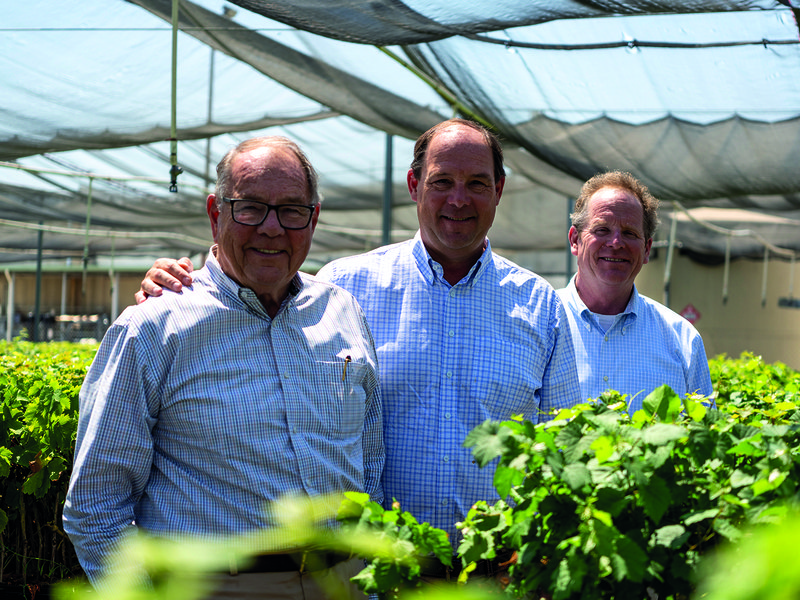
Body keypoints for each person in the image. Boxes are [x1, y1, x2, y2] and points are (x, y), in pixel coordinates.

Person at [136, 119, 581, 578]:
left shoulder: (539, 304)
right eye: (441, 181)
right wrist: (175, 282)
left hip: (498, 574)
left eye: (477, 183)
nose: (458, 199)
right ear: (414, 185)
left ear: (499, 189)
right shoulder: (344, 289)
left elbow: (556, 447)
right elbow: (251, 288)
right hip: (380, 574)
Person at [63, 137, 384, 599]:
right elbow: (95, 507)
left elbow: (367, 457)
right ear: (217, 213)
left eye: (292, 210)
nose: (272, 229)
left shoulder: (341, 310)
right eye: (251, 207)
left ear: (313, 217)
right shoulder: (154, 327)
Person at [558, 170, 713, 410]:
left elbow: (703, 435)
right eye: (602, 230)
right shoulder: (539, 324)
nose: (616, 243)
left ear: (647, 249)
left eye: (630, 233)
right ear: (575, 240)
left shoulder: (682, 339)